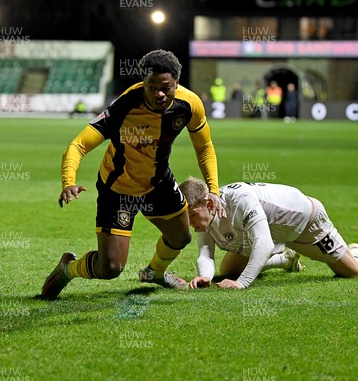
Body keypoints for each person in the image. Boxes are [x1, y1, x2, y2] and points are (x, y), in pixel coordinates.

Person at [41, 49, 225, 300]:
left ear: (177, 83)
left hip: (157, 183)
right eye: (152, 87)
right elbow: (78, 145)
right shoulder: (125, 106)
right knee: (110, 268)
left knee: (181, 236)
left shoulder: (190, 104)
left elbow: (204, 147)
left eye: (166, 88)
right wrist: (68, 181)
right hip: (118, 188)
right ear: (143, 83)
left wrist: (213, 189)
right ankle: (68, 268)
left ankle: (154, 273)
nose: (159, 94)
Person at [179, 176, 358, 290]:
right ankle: (285, 260)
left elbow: (263, 244)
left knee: (353, 274)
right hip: (268, 231)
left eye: (191, 215)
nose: (189, 223)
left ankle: (357, 253)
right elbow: (206, 252)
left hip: (305, 222)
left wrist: (242, 284)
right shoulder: (207, 216)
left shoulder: (239, 200)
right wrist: (205, 276)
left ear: (207, 202)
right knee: (228, 272)